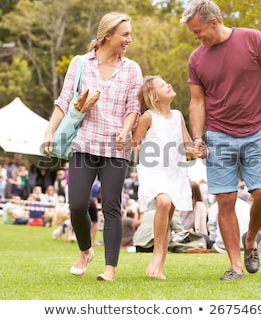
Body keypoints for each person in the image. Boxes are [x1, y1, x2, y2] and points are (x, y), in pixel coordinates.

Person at [181, 0, 261, 280]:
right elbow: (197, 101)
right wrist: (198, 137)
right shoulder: (196, 58)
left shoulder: (253, 38)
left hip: (257, 132)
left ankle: (250, 239)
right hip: (218, 135)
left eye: (198, 30)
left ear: (214, 22)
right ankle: (235, 266)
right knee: (225, 201)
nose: (196, 36)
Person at [43, 12, 143, 281]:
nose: (129, 39)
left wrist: (125, 131)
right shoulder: (79, 64)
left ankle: (110, 268)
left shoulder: (132, 68)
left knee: (111, 206)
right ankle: (85, 250)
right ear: (107, 35)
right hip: (84, 144)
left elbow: (133, 108)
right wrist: (49, 132)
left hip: (115, 149)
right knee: (76, 204)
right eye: (125, 35)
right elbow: (64, 100)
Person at [127, 75, 193, 279]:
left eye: (167, 82)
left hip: (175, 171)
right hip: (154, 169)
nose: (169, 84)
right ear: (154, 97)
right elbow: (134, 143)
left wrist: (198, 148)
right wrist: (121, 140)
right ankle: (156, 255)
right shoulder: (148, 117)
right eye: (163, 85)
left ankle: (159, 268)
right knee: (163, 202)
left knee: (167, 215)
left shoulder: (178, 115)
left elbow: (187, 143)